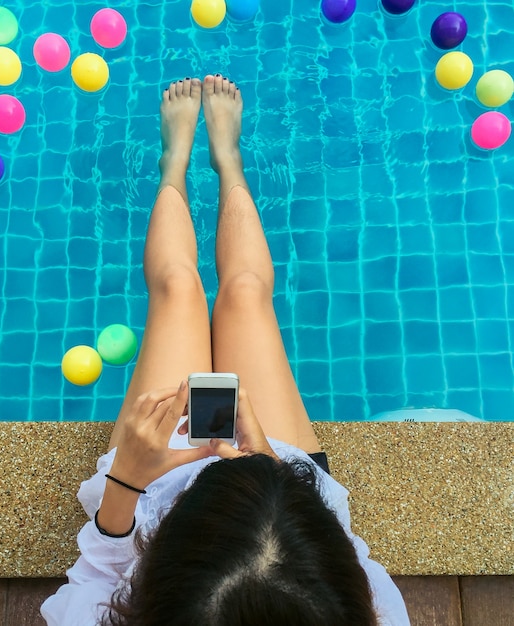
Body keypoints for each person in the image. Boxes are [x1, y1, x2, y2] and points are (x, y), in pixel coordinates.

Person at [41, 75, 410, 626]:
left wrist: (126, 481)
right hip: (280, 490)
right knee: (243, 294)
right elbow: (345, 545)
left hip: (152, 484)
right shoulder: (373, 613)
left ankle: (175, 161)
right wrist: (270, 473)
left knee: (179, 289)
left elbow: (96, 574)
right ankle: (228, 160)